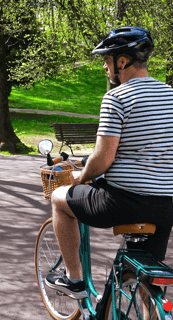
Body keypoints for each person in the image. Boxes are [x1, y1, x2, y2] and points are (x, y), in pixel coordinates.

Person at [45, 26, 173, 299]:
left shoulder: (117, 97)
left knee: (58, 197)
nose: (105, 67)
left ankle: (74, 280)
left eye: (107, 61)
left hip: (121, 203)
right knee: (146, 285)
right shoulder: (170, 96)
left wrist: (81, 177)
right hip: (166, 206)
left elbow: (103, 160)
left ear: (122, 61)